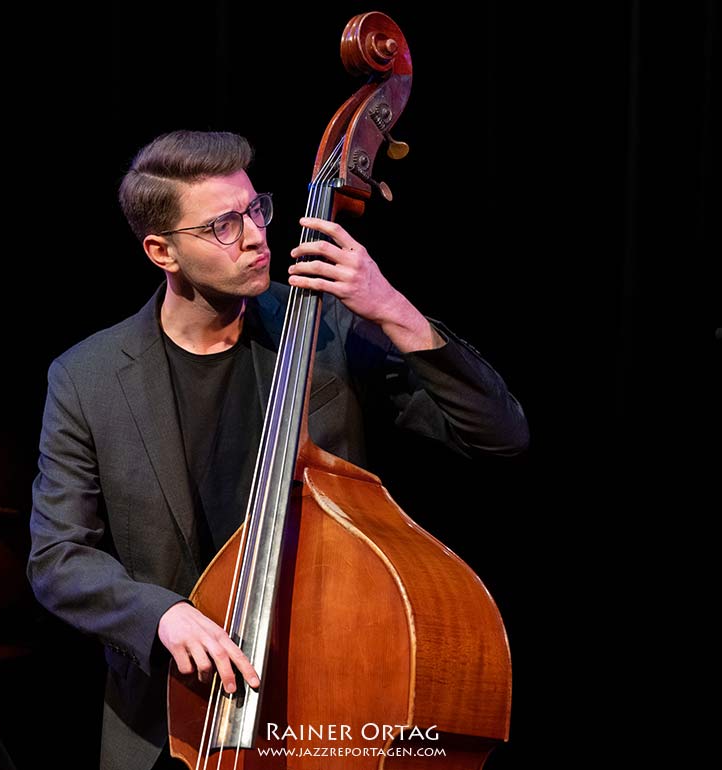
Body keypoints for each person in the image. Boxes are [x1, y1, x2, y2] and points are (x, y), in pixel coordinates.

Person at [27, 130, 529, 770]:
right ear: (162, 251)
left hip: (328, 697)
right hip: (168, 723)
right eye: (222, 226)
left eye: (255, 209)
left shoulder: (323, 328)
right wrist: (161, 615)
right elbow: (58, 557)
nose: (257, 234)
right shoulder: (86, 377)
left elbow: (499, 435)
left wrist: (394, 310)